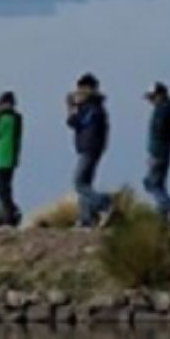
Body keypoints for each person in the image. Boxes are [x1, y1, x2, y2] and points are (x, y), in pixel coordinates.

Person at [66, 74, 113, 227]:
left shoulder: (92, 107)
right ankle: (86, 219)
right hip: (90, 147)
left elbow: (78, 122)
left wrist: (73, 108)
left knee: (79, 182)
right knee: (86, 183)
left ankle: (104, 203)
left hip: (89, 147)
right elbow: (72, 122)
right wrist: (73, 108)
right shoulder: (92, 106)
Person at [142, 83, 170, 224]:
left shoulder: (163, 110)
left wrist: (153, 153)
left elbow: (158, 132)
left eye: (153, 97)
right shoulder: (167, 110)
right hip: (163, 152)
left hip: (158, 152)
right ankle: (164, 216)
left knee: (152, 184)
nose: (151, 100)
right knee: (158, 184)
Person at [0, 91, 22, 227]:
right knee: (5, 187)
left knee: (2, 188)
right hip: (11, 156)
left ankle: (9, 216)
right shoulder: (17, 118)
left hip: (4, 156)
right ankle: (11, 214)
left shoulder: (5, 118)